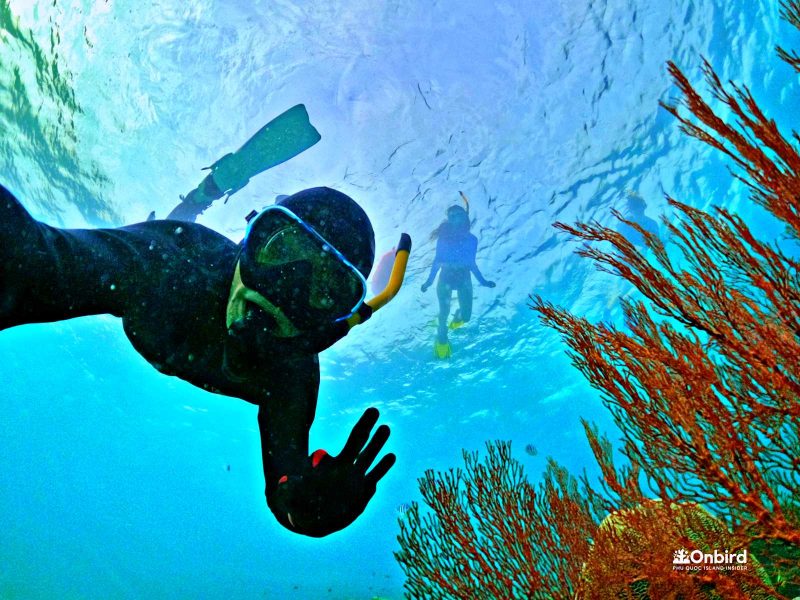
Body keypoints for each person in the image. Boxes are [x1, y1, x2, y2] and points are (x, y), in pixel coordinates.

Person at [0, 180, 411, 538]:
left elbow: (286, 488)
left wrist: (305, 511)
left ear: (332, 318)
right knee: (181, 220)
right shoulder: (167, 263)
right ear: (252, 241)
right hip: (187, 244)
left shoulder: (292, 373)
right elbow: (41, 258)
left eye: (324, 288)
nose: (284, 290)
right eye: (281, 248)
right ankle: (200, 198)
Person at [420, 192, 495, 359]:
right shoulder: (443, 239)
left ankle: (457, 320)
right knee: (443, 315)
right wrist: (428, 282)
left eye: (458, 214)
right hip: (445, 278)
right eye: (451, 216)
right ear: (449, 220)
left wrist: (483, 282)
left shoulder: (472, 240)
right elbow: (437, 261)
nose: (455, 218)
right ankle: (441, 340)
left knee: (466, 317)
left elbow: (471, 263)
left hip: (464, 279)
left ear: (465, 217)